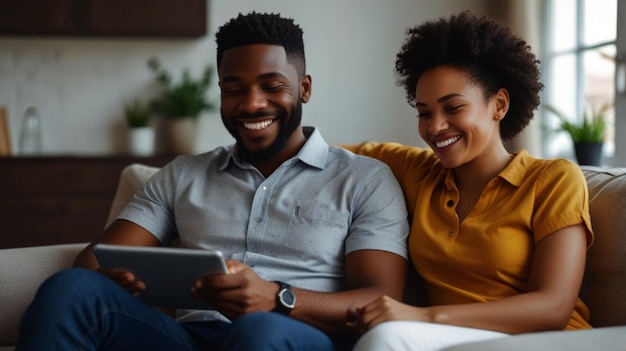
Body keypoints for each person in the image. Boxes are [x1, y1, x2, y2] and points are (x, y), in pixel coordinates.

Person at [17, 12, 410, 351]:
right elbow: (94, 261)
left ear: (304, 87)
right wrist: (117, 277)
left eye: (272, 86)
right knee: (70, 288)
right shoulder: (183, 175)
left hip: (292, 336)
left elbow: (383, 298)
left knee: (260, 330)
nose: (252, 104)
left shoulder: (364, 179)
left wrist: (278, 299)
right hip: (188, 338)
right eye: (234, 89)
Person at [344, 11, 594, 351]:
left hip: (551, 342)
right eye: (424, 112)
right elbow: (319, 151)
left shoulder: (554, 180)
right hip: (456, 342)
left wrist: (422, 317)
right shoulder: (418, 172)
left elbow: (553, 308)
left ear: (499, 105)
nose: (434, 127)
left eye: (453, 108)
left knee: (386, 338)